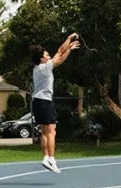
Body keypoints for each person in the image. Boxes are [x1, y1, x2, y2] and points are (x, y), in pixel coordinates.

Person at [30, 33, 80, 174]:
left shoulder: (36, 68)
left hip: (37, 102)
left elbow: (59, 52)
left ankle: (46, 157)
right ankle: (51, 159)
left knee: (45, 133)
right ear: (42, 59)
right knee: (52, 132)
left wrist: (69, 42)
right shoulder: (45, 67)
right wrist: (69, 45)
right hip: (45, 102)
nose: (49, 56)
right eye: (46, 55)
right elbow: (60, 54)